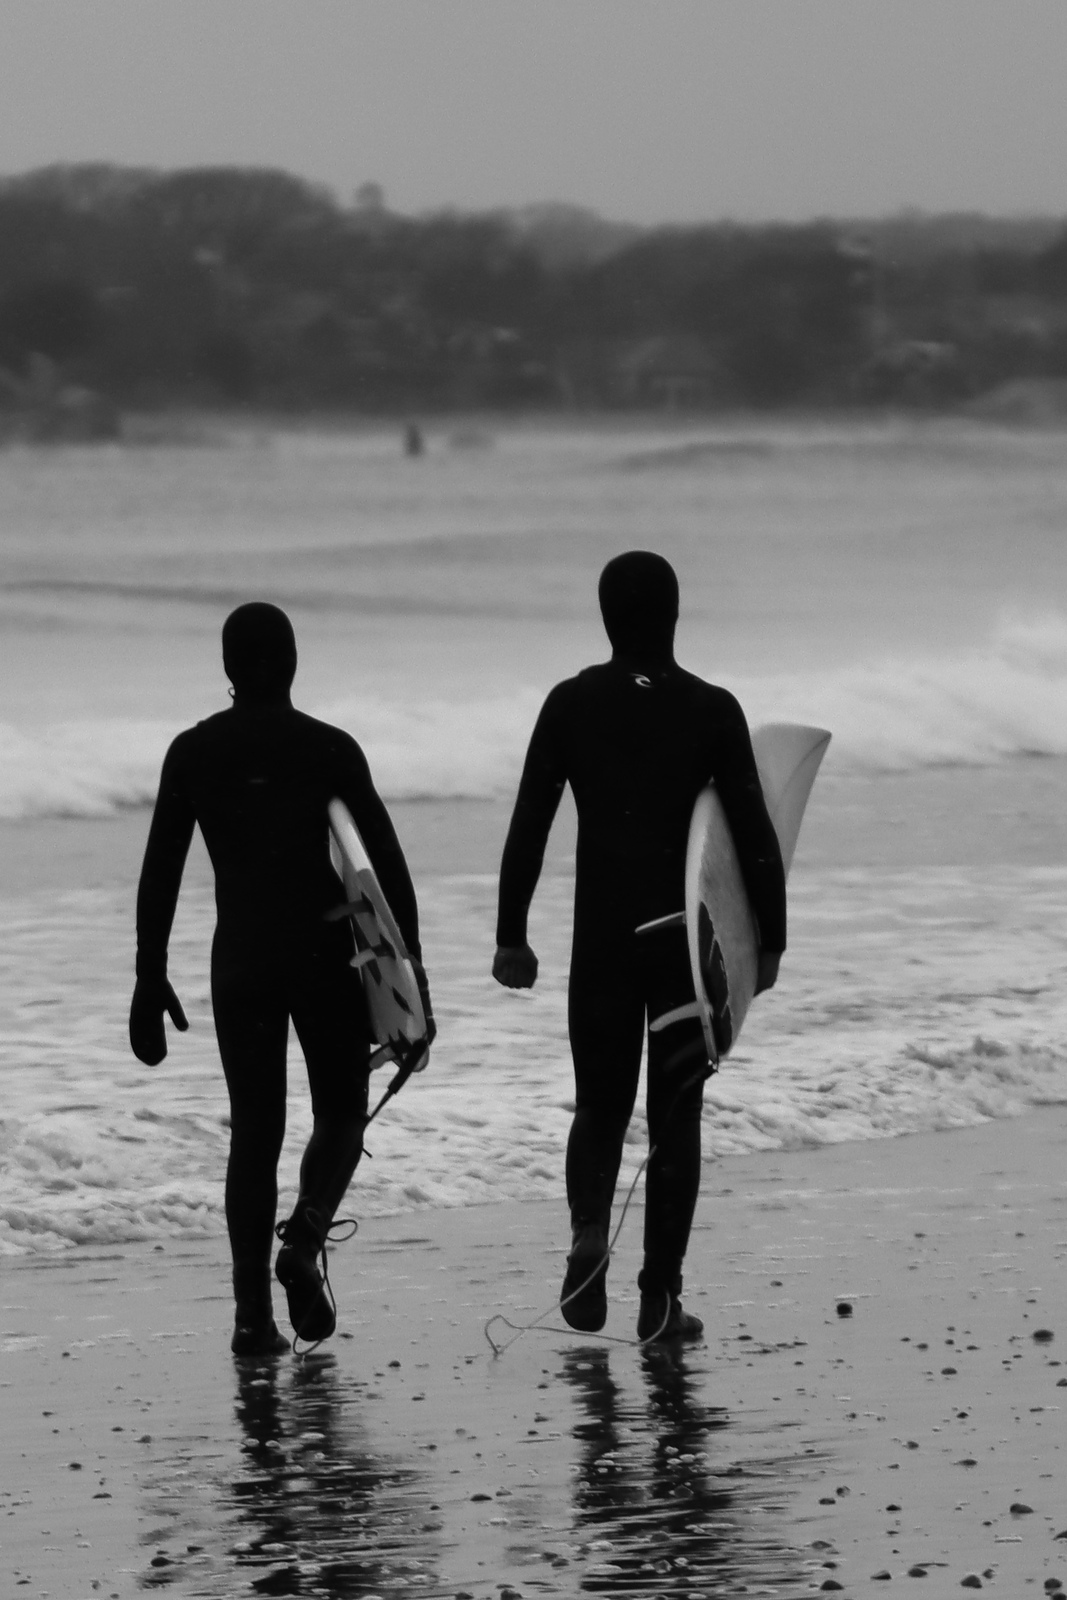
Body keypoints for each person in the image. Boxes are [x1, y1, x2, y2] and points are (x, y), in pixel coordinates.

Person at [493, 551, 785, 1342]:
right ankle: (659, 1299)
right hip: (679, 943)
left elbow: (530, 821)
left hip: (602, 938)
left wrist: (511, 934)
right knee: (675, 1115)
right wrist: (770, 940)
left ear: (603, 619)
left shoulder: (570, 703)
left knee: (599, 1103)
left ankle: (589, 1230)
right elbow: (752, 835)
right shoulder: (712, 709)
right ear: (675, 616)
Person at [130, 602, 432, 1356]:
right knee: (340, 1111)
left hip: (240, 963)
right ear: (292, 663)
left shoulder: (192, 753)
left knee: (254, 1136)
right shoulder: (328, 748)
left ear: (228, 670)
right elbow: (385, 864)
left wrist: (148, 972)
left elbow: (161, 868)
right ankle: (302, 1238)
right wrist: (412, 973)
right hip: (320, 959)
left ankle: (250, 1320)